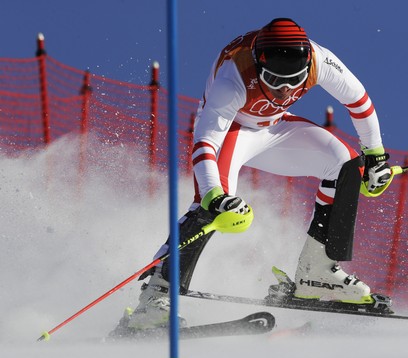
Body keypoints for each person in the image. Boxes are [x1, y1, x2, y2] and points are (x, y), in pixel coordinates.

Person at [126, 18, 392, 329]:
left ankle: (316, 272)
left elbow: (359, 101)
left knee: (346, 166)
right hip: (233, 134)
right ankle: (157, 297)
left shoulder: (320, 60)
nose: (284, 90)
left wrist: (375, 157)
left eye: (293, 81)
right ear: (259, 63)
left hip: (276, 130)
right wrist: (216, 196)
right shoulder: (233, 76)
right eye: (274, 80)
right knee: (210, 207)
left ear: (307, 65)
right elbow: (205, 143)